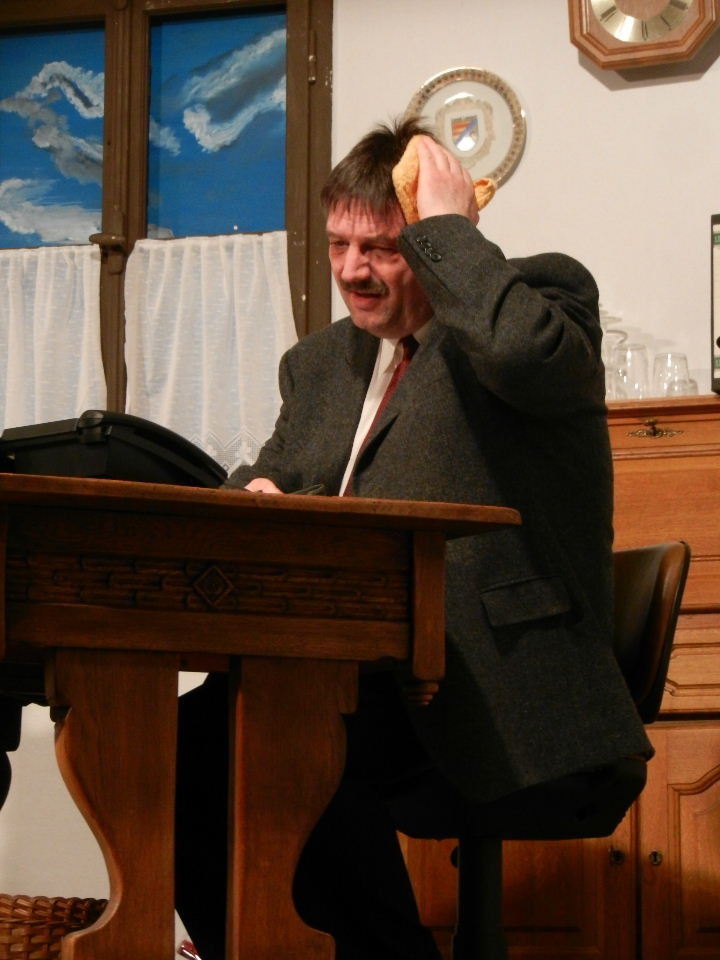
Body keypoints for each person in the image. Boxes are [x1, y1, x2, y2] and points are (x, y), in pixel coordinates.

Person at [175, 117, 652, 960]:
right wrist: (254, 495)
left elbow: (524, 358)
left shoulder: (538, 302)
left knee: (295, 738)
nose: (352, 271)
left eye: (383, 249)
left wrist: (448, 228)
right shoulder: (322, 363)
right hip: (358, 683)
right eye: (338, 245)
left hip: (500, 691)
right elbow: (272, 471)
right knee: (193, 736)